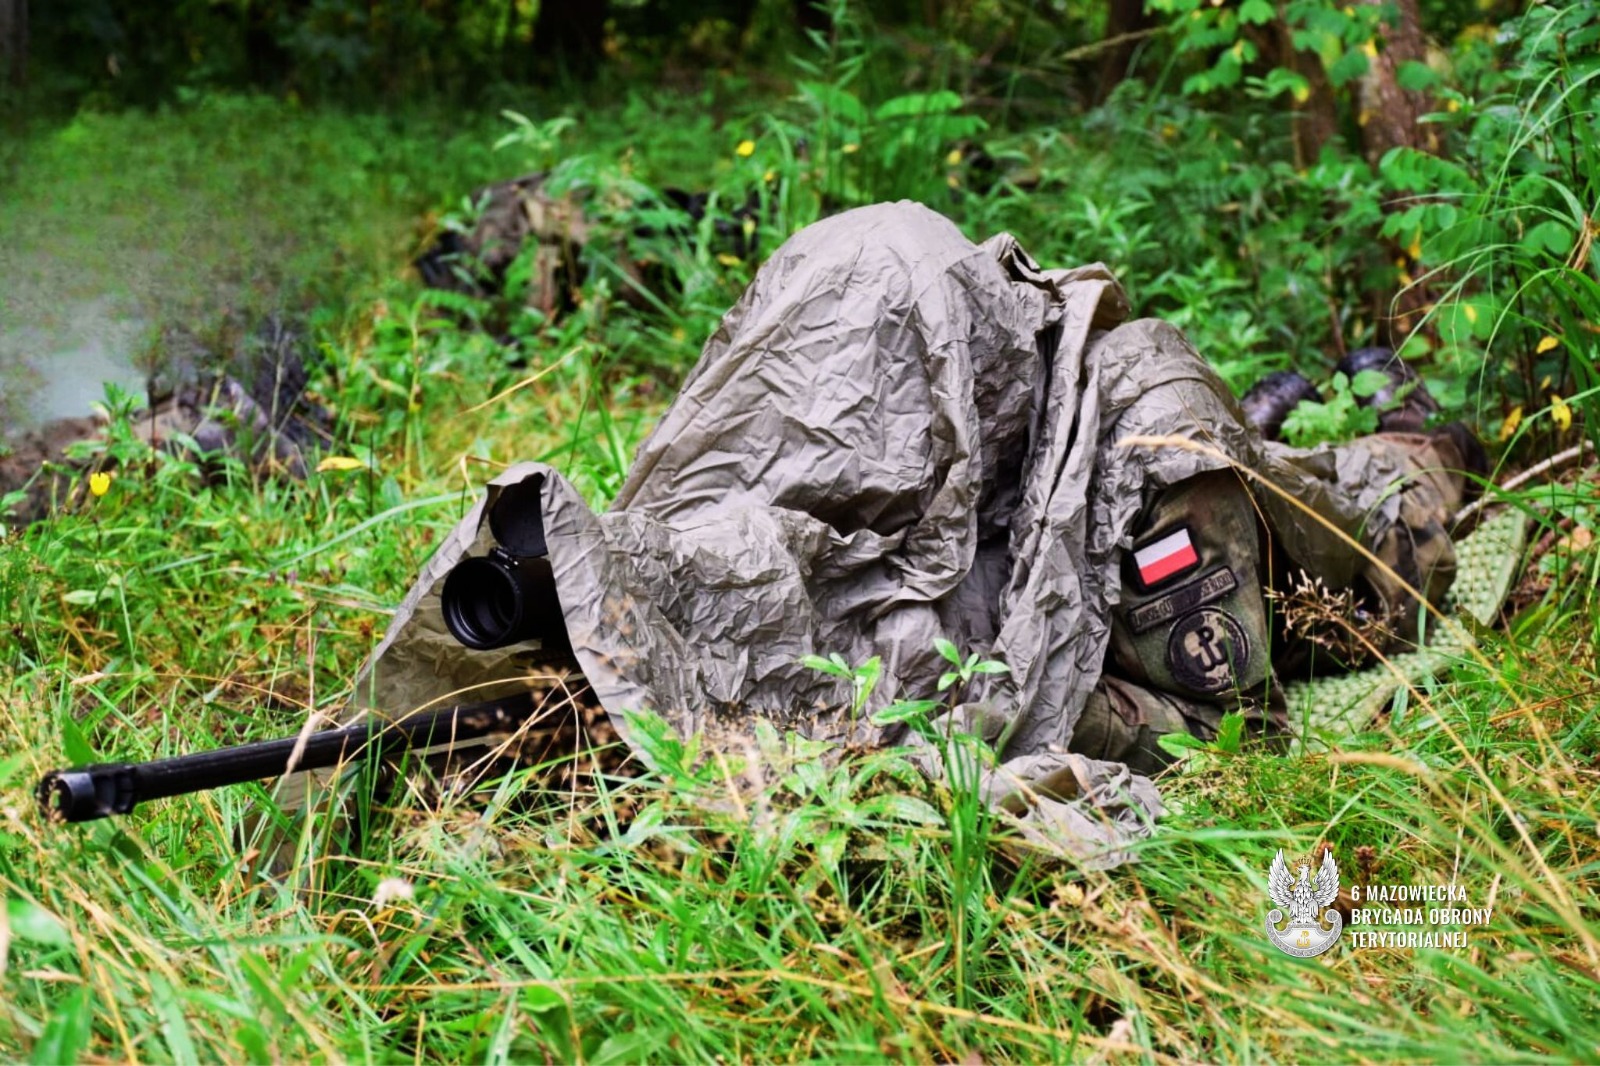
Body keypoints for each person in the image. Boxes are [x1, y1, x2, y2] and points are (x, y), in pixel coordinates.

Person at [356, 201, 1481, 866]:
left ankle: (1404, 419)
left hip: (1326, 540)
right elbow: (768, 550)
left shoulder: (1151, 466)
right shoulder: (876, 485)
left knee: (1390, 506)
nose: (846, 452)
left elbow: (1224, 725)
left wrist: (920, 743)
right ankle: (1317, 400)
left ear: (962, 388)